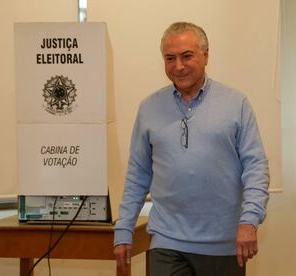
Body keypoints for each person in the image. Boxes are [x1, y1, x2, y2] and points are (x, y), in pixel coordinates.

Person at [114, 21, 269, 276]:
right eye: (170, 58)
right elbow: (138, 174)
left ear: (206, 56)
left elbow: (256, 167)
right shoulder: (149, 108)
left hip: (225, 245)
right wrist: (124, 228)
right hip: (167, 241)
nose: (178, 66)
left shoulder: (235, 103)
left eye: (187, 56)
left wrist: (249, 220)